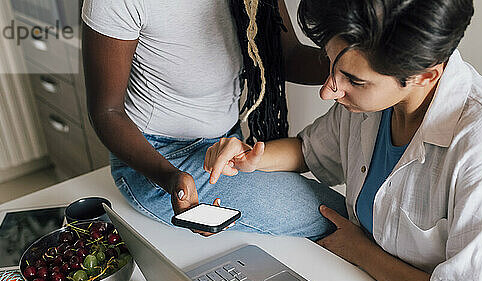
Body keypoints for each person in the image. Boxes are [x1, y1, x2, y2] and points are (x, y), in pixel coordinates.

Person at [204, 0, 482, 281]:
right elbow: (308, 150)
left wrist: (361, 252)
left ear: (425, 75)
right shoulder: (373, 104)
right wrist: (250, 157)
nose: (328, 90)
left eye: (353, 80)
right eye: (331, 66)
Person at [80, 0, 346, 239]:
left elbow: (285, 56)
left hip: (226, 145)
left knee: (352, 218)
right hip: (160, 159)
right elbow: (107, 113)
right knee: (338, 217)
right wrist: (171, 178)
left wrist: (357, 65)